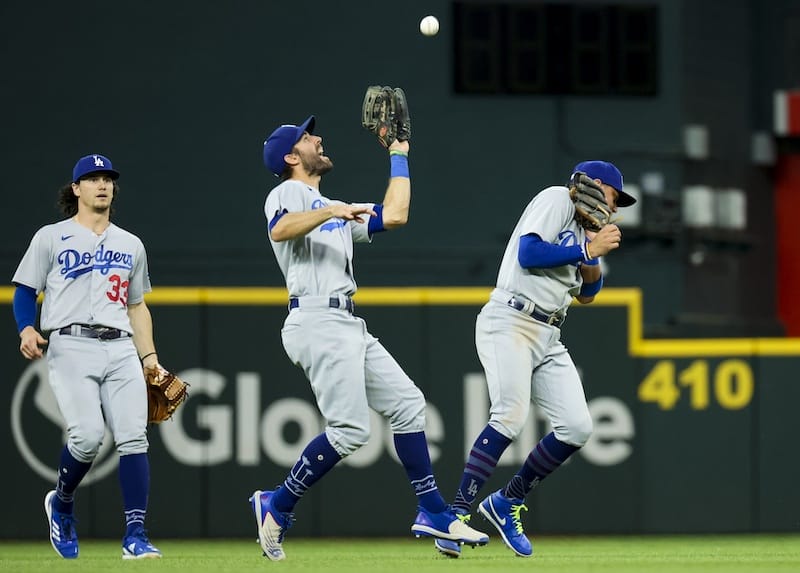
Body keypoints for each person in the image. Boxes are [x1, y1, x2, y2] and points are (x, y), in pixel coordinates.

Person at [249, 116, 489, 561]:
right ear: (290, 156)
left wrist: (398, 154)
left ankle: (432, 510)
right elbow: (279, 229)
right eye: (306, 137)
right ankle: (277, 504)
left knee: (408, 404)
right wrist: (331, 210)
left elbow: (396, 215)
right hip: (316, 318)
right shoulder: (288, 192)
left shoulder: (328, 207)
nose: (317, 138)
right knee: (351, 430)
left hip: (345, 323)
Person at [435, 161, 637, 558]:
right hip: (511, 318)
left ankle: (506, 501)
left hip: (549, 332)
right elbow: (528, 253)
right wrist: (584, 248)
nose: (614, 209)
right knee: (509, 415)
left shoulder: (584, 231)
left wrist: (590, 251)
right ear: (595, 187)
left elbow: (588, 294)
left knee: (578, 427)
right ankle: (453, 517)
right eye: (614, 197)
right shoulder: (557, 198)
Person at [11, 154, 163, 560]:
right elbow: (25, 290)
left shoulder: (131, 244)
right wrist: (27, 328)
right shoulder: (51, 236)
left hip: (120, 346)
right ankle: (61, 503)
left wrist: (149, 357)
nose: (102, 184)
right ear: (75, 189)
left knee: (134, 437)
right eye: (92, 178)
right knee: (88, 437)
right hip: (71, 343)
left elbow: (136, 305)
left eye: (107, 179)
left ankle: (135, 535)